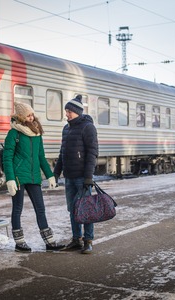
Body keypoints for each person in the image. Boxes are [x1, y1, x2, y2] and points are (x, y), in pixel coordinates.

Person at [3, 102, 65, 252]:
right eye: (28, 115)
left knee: (40, 209)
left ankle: (49, 242)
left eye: (32, 114)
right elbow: (7, 156)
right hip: (18, 177)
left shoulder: (37, 133)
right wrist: (10, 178)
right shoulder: (14, 133)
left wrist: (50, 176)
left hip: (34, 177)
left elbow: (41, 157)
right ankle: (19, 243)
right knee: (17, 209)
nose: (32, 118)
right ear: (21, 117)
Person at [54, 95, 99, 254]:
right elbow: (62, 152)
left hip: (82, 177)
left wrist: (88, 177)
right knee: (73, 209)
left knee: (85, 209)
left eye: (69, 111)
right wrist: (56, 172)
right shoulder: (66, 128)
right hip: (69, 176)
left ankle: (88, 240)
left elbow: (92, 153)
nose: (66, 114)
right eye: (66, 111)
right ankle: (76, 239)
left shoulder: (88, 127)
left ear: (77, 112)